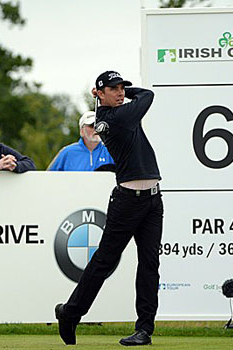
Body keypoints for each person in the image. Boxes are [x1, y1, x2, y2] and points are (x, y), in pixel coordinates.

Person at [54, 71, 163, 346]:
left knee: (150, 264)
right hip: (127, 202)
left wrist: (119, 92)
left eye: (122, 88)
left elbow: (138, 96)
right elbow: (148, 95)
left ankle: (144, 330)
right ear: (99, 93)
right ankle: (71, 313)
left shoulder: (121, 111)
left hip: (153, 199)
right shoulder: (113, 119)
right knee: (105, 261)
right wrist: (128, 93)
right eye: (113, 88)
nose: (120, 92)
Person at [47, 111, 115, 171]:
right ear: (82, 131)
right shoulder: (67, 153)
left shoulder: (111, 151)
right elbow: (49, 177)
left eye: (98, 125)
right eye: (91, 126)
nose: (96, 129)